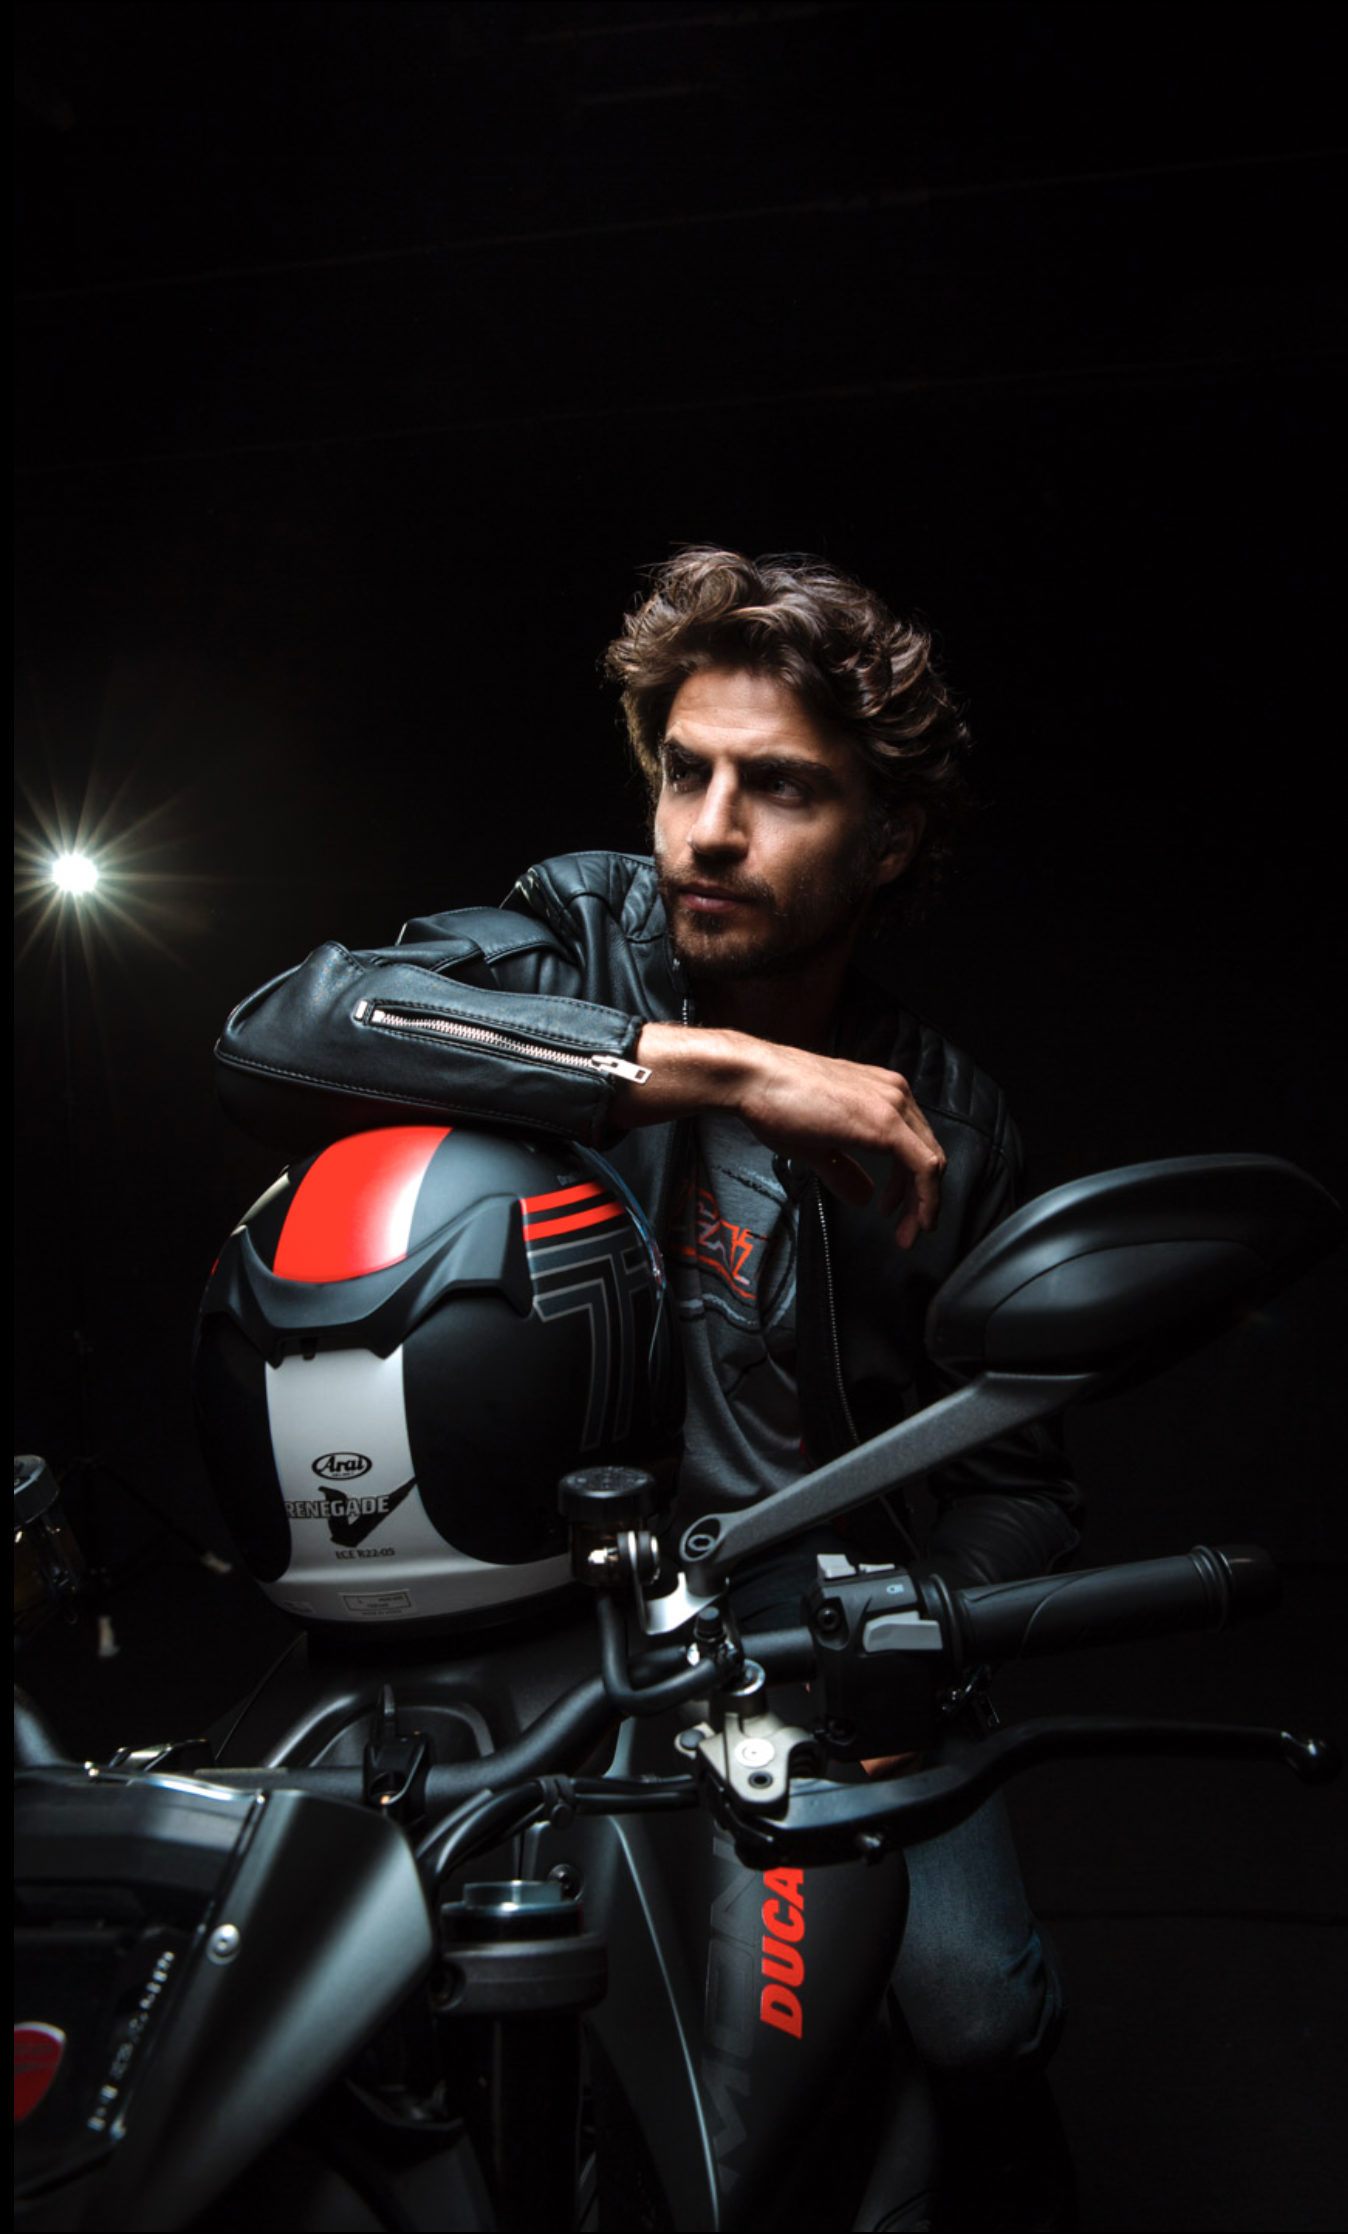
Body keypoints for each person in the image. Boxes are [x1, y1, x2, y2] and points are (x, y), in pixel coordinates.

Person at [216, 546, 1080, 2227]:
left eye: (781, 787)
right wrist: (725, 1068)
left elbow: (1022, 1485)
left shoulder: (949, 1127)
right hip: (532, 1617)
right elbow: (285, 1028)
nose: (710, 829)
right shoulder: (577, 945)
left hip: (812, 1651)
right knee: (298, 1971)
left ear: (889, 838)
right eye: (687, 772)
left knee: (971, 2010)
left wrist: (912, 1630)